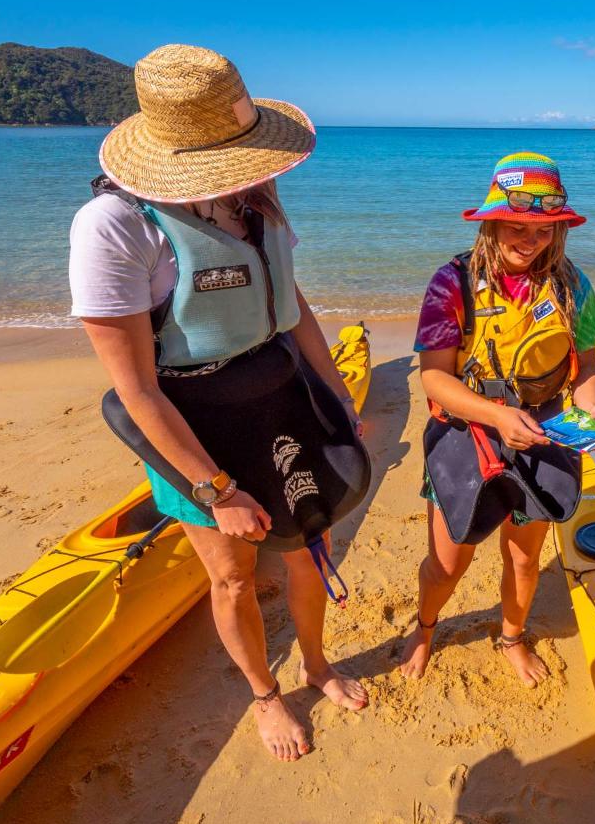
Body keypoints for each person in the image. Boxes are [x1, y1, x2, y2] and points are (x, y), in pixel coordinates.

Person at [70, 44, 370, 763]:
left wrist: (333, 398)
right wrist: (217, 489)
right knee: (232, 572)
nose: (251, 170)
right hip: (192, 418)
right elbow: (136, 389)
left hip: (279, 392)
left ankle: (317, 663)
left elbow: (291, 303)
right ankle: (266, 695)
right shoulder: (115, 227)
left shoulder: (256, 195)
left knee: (309, 544)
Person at [401, 152, 595, 686]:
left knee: (523, 559)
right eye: (515, 225)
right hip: (467, 430)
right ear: (491, 221)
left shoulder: (571, 286)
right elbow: (434, 379)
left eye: (542, 229)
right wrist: (495, 414)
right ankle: (424, 628)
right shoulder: (453, 284)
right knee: (448, 562)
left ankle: (511, 636)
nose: (528, 238)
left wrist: (590, 406)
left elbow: (587, 364)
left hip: (540, 432)